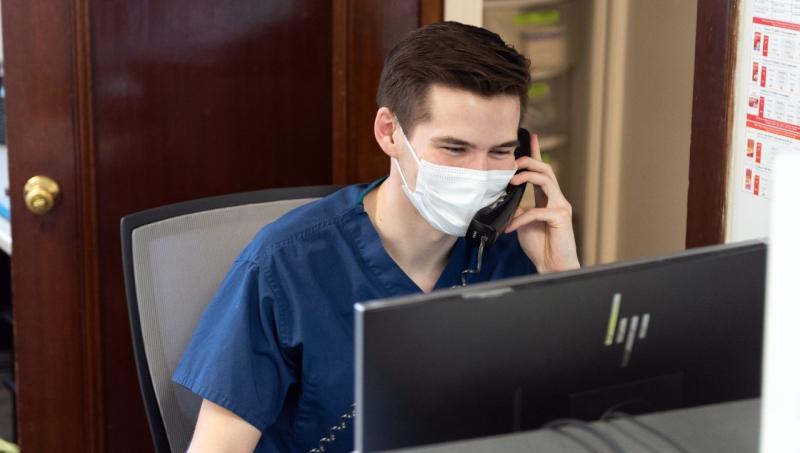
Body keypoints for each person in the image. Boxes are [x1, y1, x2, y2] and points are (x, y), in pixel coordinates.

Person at [175, 21, 580, 453]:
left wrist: (562, 281)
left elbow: (578, 423)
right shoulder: (284, 265)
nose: (480, 174)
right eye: (455, 149)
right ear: (389, 132)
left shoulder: (515, 251)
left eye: (499, 151)